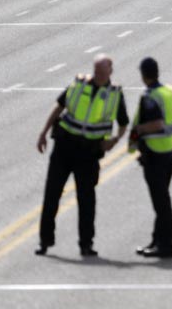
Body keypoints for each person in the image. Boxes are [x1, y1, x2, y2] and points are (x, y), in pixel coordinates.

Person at [35, 54, 128, 257]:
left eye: (103, 73)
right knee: (51, 195)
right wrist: (43, 132)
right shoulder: (78, 85)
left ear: (111, 72)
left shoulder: (114, 94)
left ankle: (86, 244)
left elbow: (123, 123)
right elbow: (59, 106)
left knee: (86, 200)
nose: (99, 76)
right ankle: (45, 240)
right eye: (96, 72)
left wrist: (114, 140)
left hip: (89, 153)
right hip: (64, 148)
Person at [131, 57, 172, 259]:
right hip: (169, 154)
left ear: (143, 75)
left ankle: (166, 245)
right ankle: (157, 240)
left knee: (161, 201)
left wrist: (139, 129)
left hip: (154, 155)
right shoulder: (169, 92)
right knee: (162, 197)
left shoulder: (150, 97)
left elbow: (155, 124)